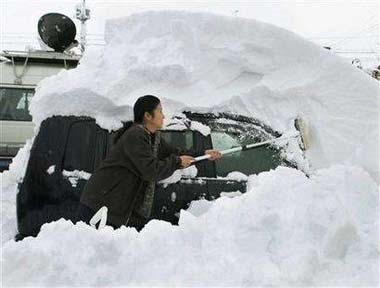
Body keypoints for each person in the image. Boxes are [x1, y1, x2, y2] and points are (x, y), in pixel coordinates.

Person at [76, 95, 222, 231]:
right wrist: (177, 162)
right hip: (100, 206)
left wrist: (203, 154)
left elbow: (174, 152)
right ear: (147, 115)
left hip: (115, 207)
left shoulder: (152, 137)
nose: (163, 115)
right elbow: (150, 170)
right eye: (160, 111)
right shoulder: (135, 135)